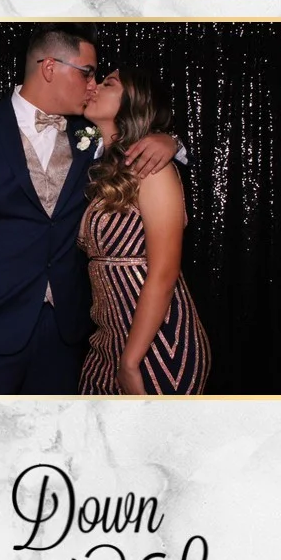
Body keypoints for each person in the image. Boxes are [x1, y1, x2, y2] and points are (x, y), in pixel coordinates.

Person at [0, 27, 180, 395]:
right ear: (50, 67)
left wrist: (171, 141)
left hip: (64, 335)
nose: (92, 85)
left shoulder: (88, 137)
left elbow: (132, 136)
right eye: (87, 73)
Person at [79, 65, 210, 395]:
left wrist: (130, 361)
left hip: (157, 346)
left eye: (108, 83)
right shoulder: (102, 165)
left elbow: (165, 272)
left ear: (133, 103)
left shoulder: (153, 169)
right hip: (107, 341)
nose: (93, 86)